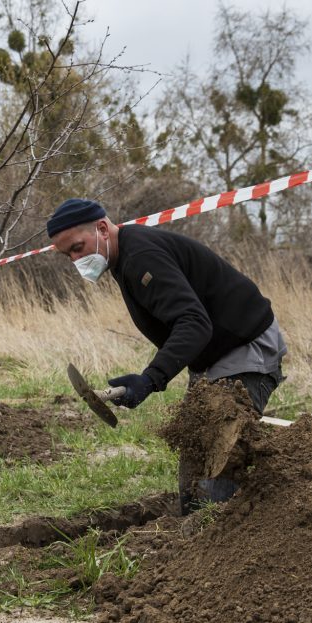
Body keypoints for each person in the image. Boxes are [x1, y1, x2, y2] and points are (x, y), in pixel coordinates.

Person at [47, 198, 286, 511]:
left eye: (77, 248)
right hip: (213, 356)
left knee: (217, 470)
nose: (76, 259)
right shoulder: (123, 258)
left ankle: (223, 539)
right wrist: (147, 380)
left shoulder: (141, 256)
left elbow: (194, 323)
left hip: (245, 348)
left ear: (103, 229)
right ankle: (194, 539)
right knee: (194, 460)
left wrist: (149, 379)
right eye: (68, 255)